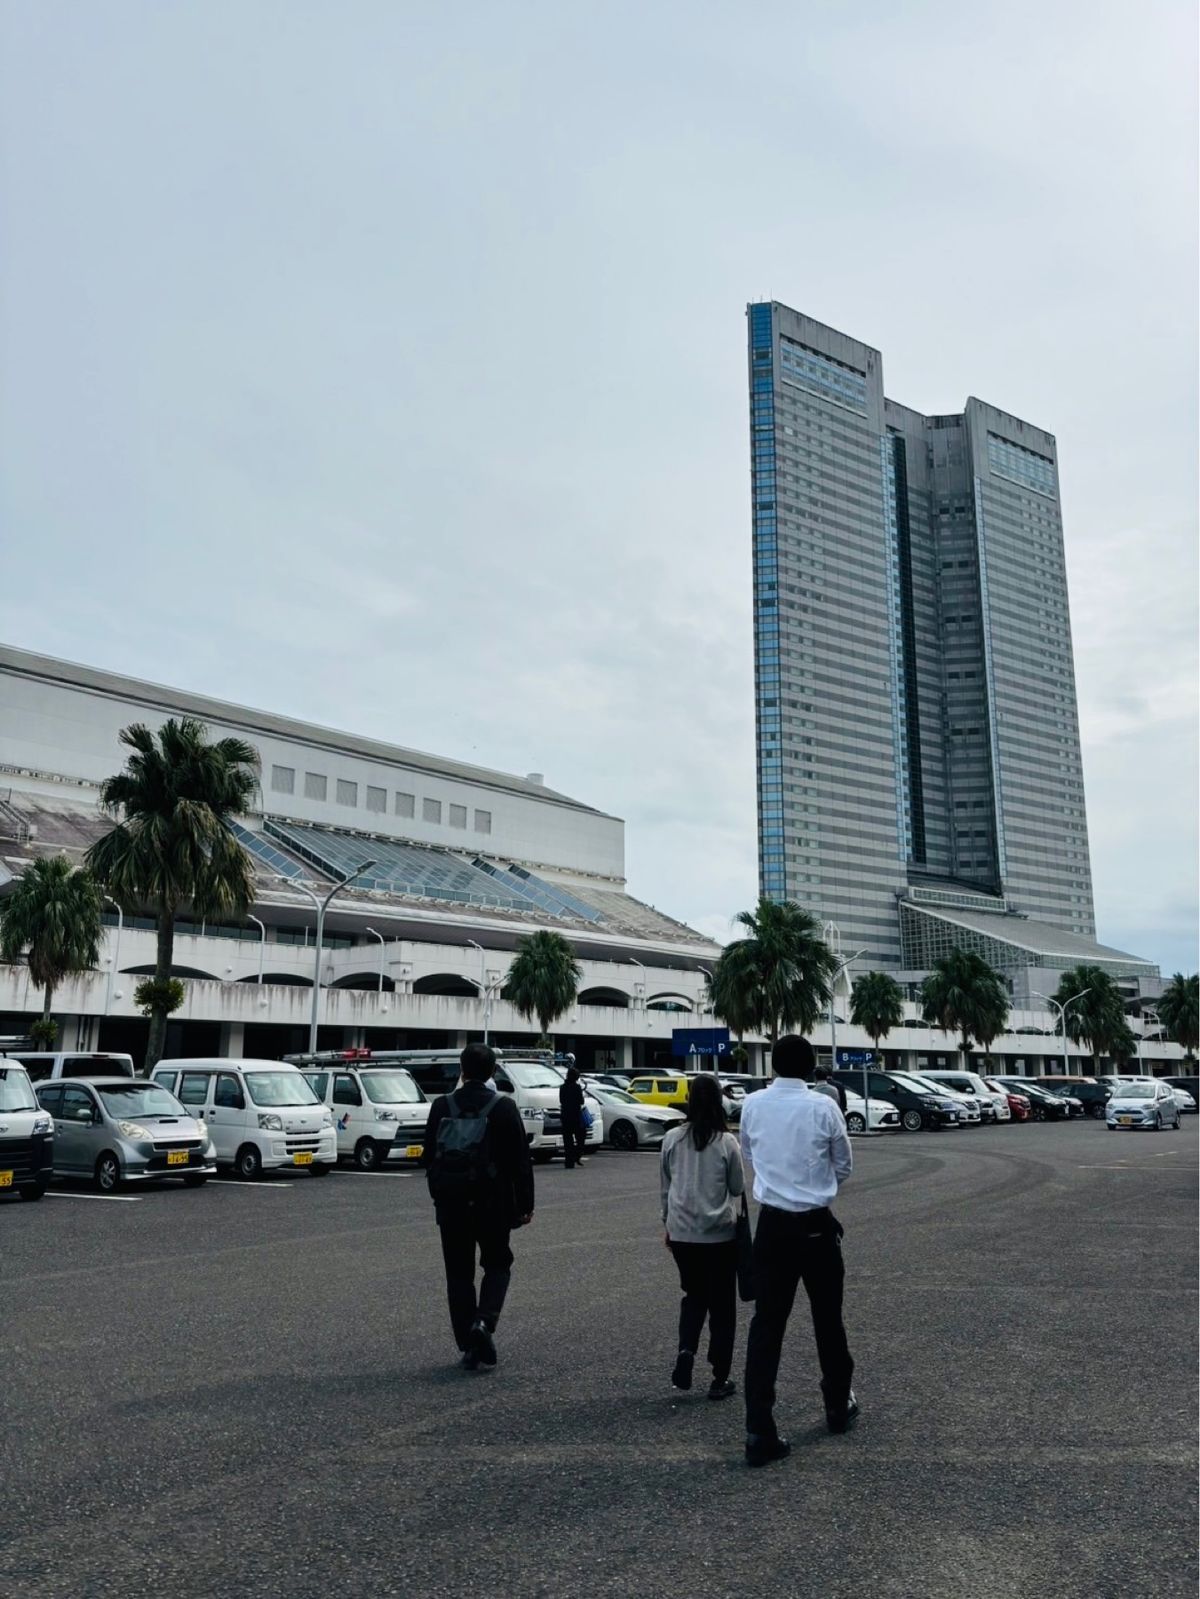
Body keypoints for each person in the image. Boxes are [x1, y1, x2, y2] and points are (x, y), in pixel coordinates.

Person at [738, 1034, 856, 1467]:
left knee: (766, 1326)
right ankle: (837, 1407)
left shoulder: (753, 1104)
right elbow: (844, 1164)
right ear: (810, 1068)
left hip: (771, 1226)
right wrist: (816, 1186)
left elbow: (750, 1154)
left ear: (772, 1065)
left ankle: (758, 1429)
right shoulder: (823, 1106)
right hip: (815, 1227)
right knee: (828, 1319)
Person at [423, 1042, 535, 1371]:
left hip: (451, 1205)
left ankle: (466, 1343)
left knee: (458, 1274)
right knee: (498, 1264)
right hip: (492, 1204)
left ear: (461, 1069)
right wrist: (525, 1204)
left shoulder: (442, 1105)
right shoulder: (503, 1106)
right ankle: (483, 1324)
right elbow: (520, 1162)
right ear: (492, 1071)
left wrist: (439, 1194)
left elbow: (428, 1156)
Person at [661, 1073, 746, 1401]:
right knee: (723, 1306)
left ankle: (686, 1349)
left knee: (694, 1295)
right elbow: (737, 1187)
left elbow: (665, 1186)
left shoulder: (672, 1138)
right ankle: (719, 1376)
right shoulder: (726, 1142)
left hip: (682, 1233)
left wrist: (667, 1224)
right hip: (720, 1235)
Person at [559, 1062, 587, 1170]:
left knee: (568, 1140)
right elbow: (581, 1101)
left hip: (565, 1115)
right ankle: (577, 1155)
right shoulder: (577, 1087)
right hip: (576, 1116)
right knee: (581, 1137)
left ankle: (569, 1162)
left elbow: (561, 1100)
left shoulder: (562, 1087)